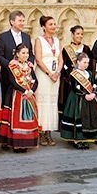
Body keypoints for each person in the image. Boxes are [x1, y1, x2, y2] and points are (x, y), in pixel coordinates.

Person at [0, 43, 39, 153]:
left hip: (28, 95)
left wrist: (31, 91)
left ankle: (26, 143)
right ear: (17, 54)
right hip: (17, 95)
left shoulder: (29, 66)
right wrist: (25, 91)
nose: (26, 55)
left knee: (28, 119)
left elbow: (36, 80)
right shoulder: (13, 67)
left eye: (27, 53)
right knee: (15, 119)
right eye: (23, 53)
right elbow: (13, 81)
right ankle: (17, 143)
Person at [60, 52, 97, 149]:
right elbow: (75, 87)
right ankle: (77, 140)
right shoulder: (74, 73)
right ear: (78, 62)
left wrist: (94, 93)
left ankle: (86, 139)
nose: (86, 65)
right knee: (77, 118)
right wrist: (85, 95)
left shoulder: (89, 73)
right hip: (77, 99)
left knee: (88, 119)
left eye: (87, 63)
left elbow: (94, 84)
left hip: (89, 99)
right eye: (84, 62)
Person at [34, 16, 62, 146]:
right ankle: (40, 132)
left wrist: (57, 72)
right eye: (50, 24)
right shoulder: (39, 40)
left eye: (54, 24)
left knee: (52, 103)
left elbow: (60, 59)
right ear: (44, 26)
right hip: (43, 74)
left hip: (55, 76)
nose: (53, 26)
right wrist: (49, 73)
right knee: (42, 102)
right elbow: (38, 59)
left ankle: (49, 133)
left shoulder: (57, 40)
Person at [0, 10, 35, 101]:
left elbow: (31, 54)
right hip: (8, 77)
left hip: (26, 78)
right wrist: (10, 63)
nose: (22, 23)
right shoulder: (3, 37)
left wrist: (30, 63)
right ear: (12, 22)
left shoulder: (26, 37)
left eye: (23, 21)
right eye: (19, 21)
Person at [59, 25, 93, 123]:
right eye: (78, 34)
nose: (80, 36)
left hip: (84, 81)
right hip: (70, 82)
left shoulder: (86, 49)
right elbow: (64, 64)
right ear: (73, 35)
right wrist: (70, 77)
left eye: (82, 34)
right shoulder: (66, 49)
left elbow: (90, 66)